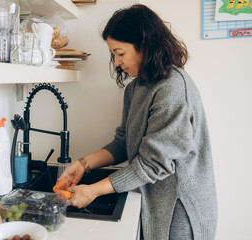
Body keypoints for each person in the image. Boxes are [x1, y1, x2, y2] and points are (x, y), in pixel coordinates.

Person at [57, 4, 218, 240]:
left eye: (120, 53)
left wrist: (92, 191)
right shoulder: (136, 88)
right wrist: (83, 164)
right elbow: (124, 142)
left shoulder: (173, 89)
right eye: (113, 54)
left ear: (145, 45)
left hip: (180, 206)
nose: (117, 62)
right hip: (154, 197)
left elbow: (154, 164)